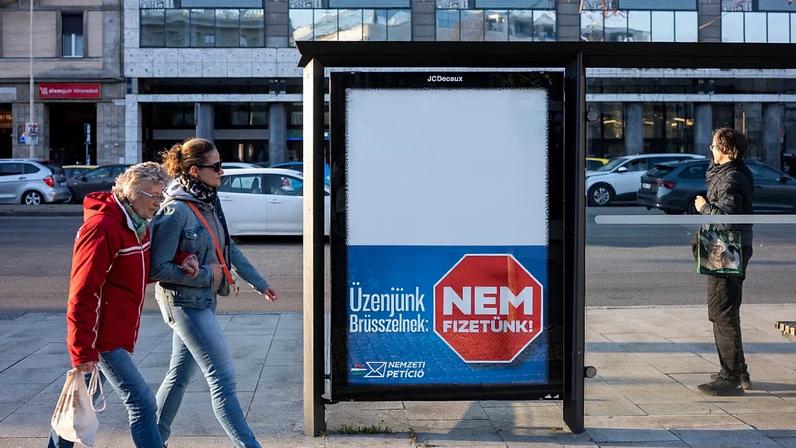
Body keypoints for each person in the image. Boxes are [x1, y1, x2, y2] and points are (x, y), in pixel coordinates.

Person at [49, 162, 194, 448]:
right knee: (141, 402)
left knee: (80, 404)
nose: (158, 202)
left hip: (118, 331)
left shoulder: (137, 224)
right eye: (152, 195)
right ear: (130, 193)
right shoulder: (103, 228)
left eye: (161, 193)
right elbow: (82, 292)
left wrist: (180, 259)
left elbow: (140, 266)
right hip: (102, 337)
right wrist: (81, 350)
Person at [150, 137, 277, 448]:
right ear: (195, 170)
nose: (223, 172)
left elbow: (226, 248)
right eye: (217, 167)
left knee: (179, 376)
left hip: (204, 301)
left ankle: (152, 440)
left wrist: (258, 282)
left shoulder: (208, 202)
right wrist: (210, 274)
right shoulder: (175, 210)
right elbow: (156, 269)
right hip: (183, 304)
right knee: (222, 378)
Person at [693, 127, 754, 396]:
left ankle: (729, 377)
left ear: (728, 151)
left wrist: (704, 207)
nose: (711, 149)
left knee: (722, 314)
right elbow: (712, 172)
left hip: (726, 251)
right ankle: (738, 371)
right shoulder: (730, 172)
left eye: (715, 146)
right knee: (725, 312)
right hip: (725, 250)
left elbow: (728, 220)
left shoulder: (730, 180)